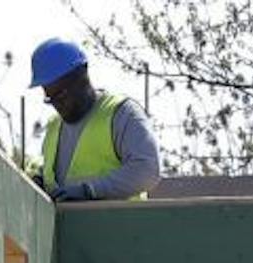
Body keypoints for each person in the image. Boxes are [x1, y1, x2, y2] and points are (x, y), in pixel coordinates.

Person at [28, 38, 162, 203]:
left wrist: (89, 190)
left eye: (61, 95)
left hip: (122, 226)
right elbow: (50, 174)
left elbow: (147, 171)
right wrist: (38, 182)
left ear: (83, 75)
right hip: (70, 228)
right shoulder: (54, 128)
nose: (57, 104)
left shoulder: (121, 114)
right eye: (50, 98)